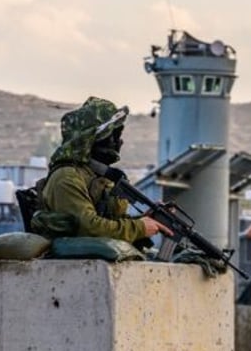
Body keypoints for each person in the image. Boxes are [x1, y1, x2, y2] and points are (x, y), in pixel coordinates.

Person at [36, 96, 171, 243]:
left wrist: (145, 220)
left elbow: (109, 222)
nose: (118, 142)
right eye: (113, 135)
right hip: (74, 263)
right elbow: (89, 228)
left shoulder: (97, 177)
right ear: (92, 140)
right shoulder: (66, 177)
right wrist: (138, 228)